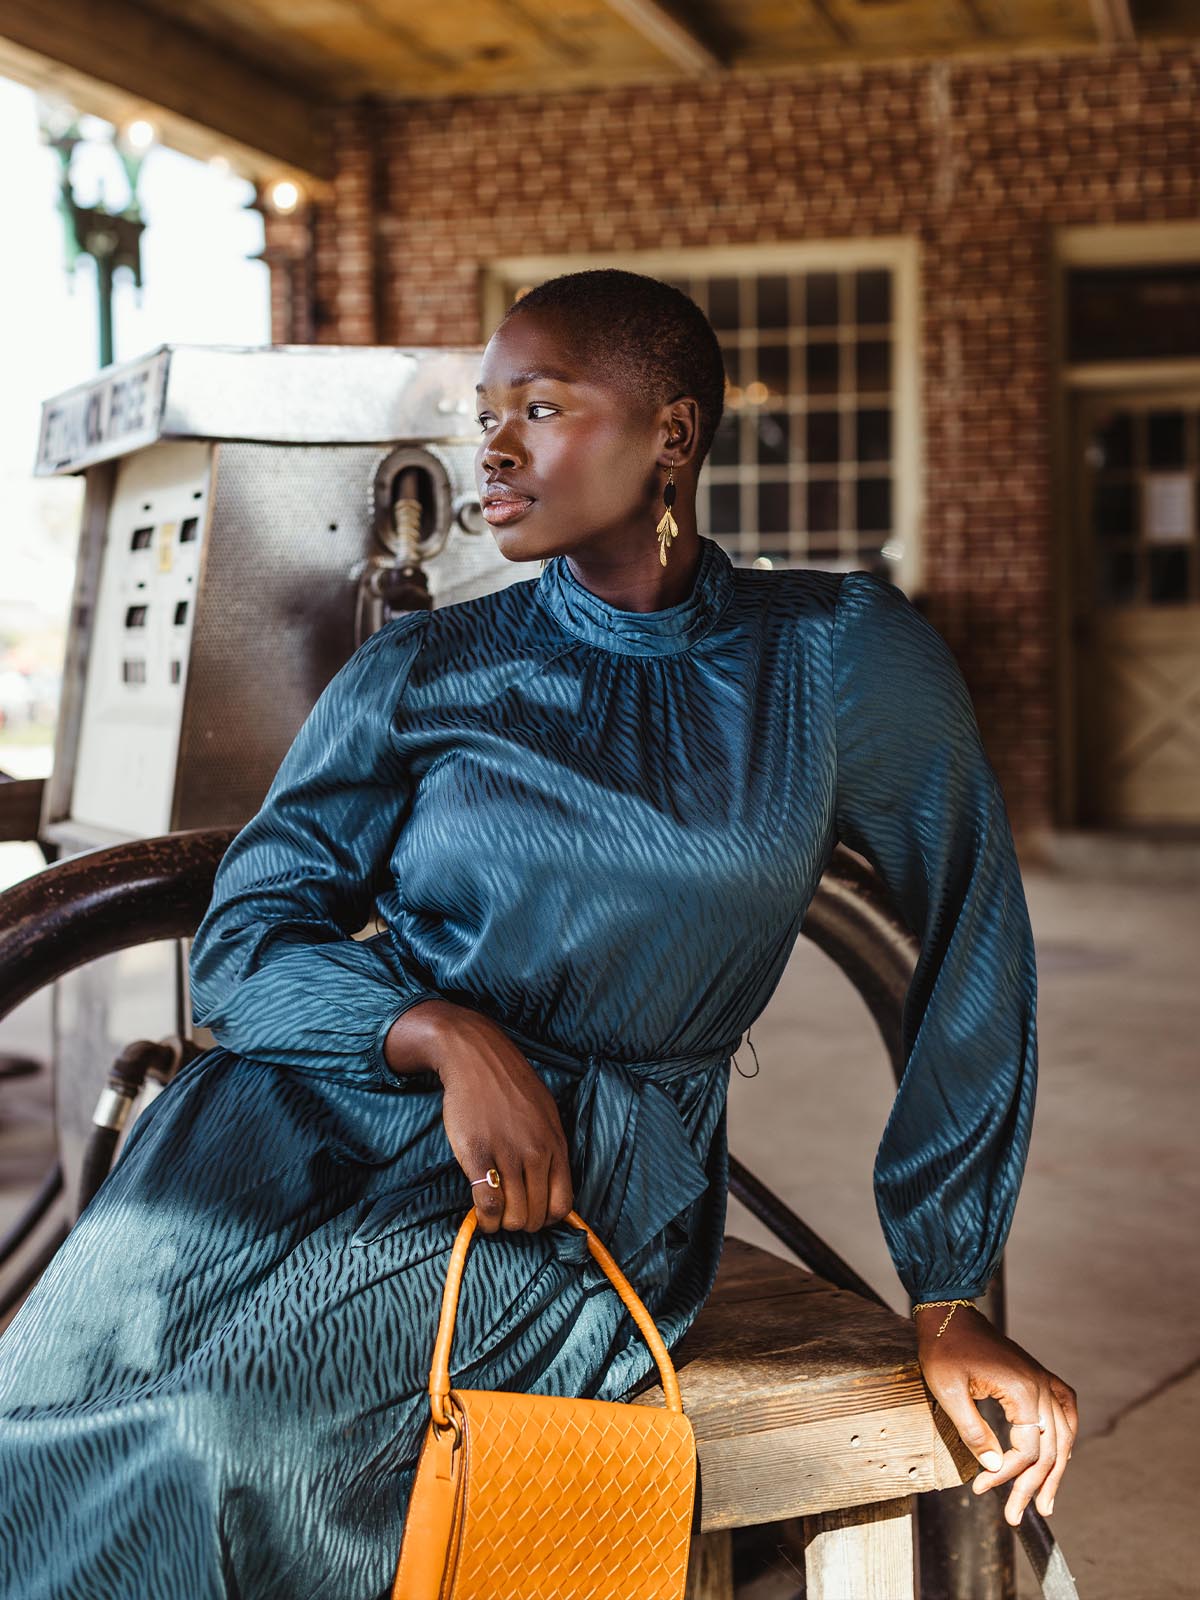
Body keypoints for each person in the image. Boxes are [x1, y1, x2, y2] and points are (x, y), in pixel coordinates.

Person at [0, 269, 1076, 1598]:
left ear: (671, 435)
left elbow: (974, 939)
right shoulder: (424, 668)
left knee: (219, 1442)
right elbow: (244, 940)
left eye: (541, 407)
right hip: (296, 1119)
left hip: (571, 1185)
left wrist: (949, 1286)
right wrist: (440, 1033)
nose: (489, 448)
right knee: (34, 1416)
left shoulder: (833, 657)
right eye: (483, 412)